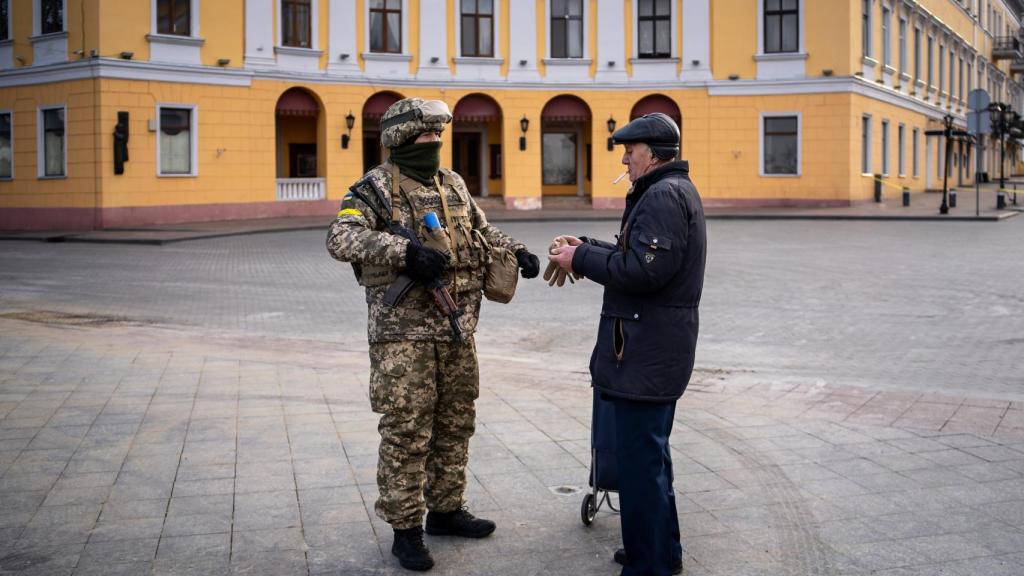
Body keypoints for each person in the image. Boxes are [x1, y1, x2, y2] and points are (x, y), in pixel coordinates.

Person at [326, 98, 540, 572]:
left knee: (455, 423)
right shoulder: (374, 187)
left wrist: (518, 250)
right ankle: (406, 530)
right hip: (402, 339)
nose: (436, 144)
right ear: (403, 140)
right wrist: (406, 253)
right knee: (406, 431)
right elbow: (340, 238)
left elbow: (482, 231)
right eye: (427, 137)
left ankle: (446, 510)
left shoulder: (452, 184)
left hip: (457, 328)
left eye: (439, 136)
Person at [548, 112, 706, 576]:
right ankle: (660, 552)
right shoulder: (667, 191)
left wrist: (581, 258)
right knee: (651, 460)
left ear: (651, 154)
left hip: (645, 350)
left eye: (630, 151)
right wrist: (588, 247)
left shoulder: (662, 195)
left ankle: (648, 564)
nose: (624, 158)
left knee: (641, 470)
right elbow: (636, 252)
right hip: (653, 347)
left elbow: (643, 271)